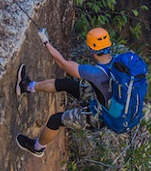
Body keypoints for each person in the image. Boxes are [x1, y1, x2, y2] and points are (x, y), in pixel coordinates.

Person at [14, 27, 115, 157]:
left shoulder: (94, 73)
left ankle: (37, 148)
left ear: (91, 49)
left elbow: (62, 63)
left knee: (55, 120)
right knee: (66, 84)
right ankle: (26, 86)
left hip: (100, 116)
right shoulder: (117, 61)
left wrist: (46, 42)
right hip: (104, 99)